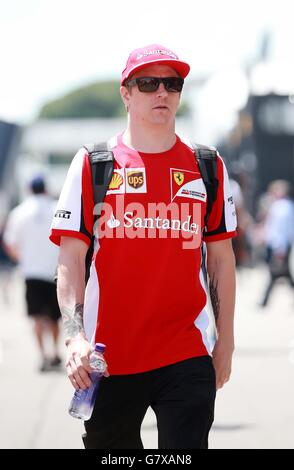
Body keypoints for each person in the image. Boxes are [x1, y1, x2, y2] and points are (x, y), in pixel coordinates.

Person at [50, 44, 237, 449]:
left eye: (172, 84)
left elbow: (221, 259)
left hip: (186, 353)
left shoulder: (208, 165)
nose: (162, 93)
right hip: (108, 359)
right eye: (148, 82)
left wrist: (226, 339)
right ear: (126, 93)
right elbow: (70, 260)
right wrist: (74, 336)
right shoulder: (93, 164)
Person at [3, 176, 62, 372]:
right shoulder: (56, 208)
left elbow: (10, 242)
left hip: (31, 272)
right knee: (55, 317)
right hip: (54, 270)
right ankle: (55, 352)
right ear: (45, 189)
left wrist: (22, 259)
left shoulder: (20, 212)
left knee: (36, 316)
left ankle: (42, 355)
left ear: (29, 189)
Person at [259, 180, 294, 307]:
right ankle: (264, 301)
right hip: (277, 245)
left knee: (274, 273)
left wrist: (280, 248)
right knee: (283, 274)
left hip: (279, 246)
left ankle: (264, 302)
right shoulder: (279, 205)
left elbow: (282, 229)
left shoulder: (283, 207)